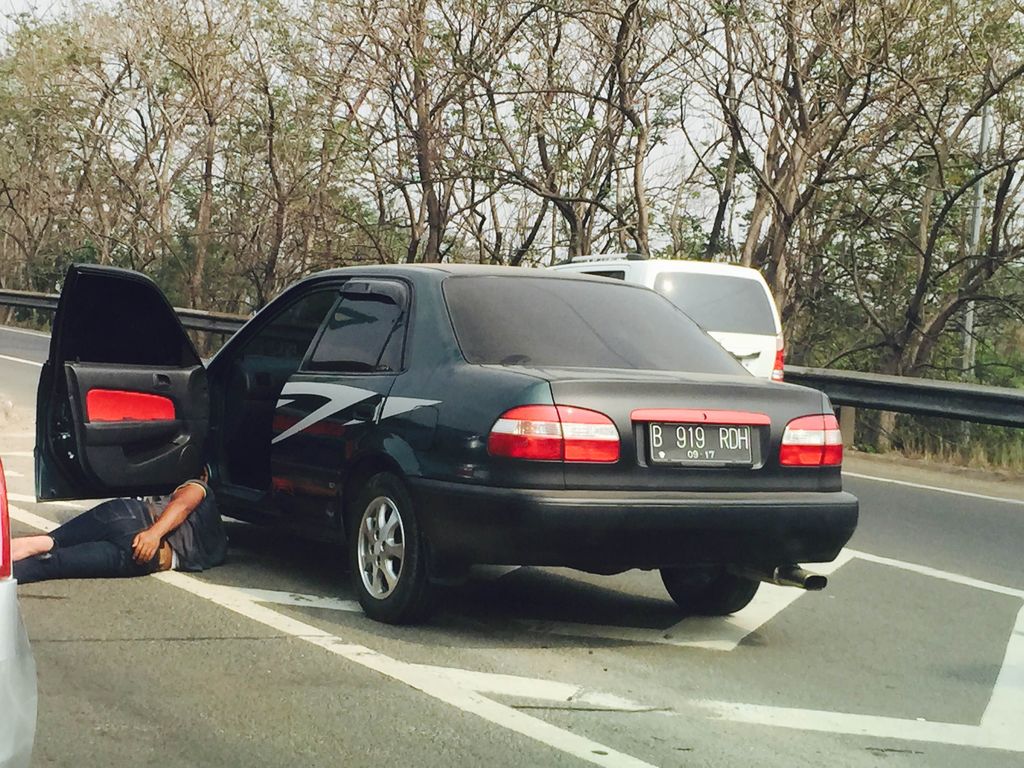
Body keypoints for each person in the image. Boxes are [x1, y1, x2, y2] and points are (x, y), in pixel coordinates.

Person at [12, 469, 226, 584]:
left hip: (125, 513)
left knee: (46, 542)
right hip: (142, 549)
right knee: (52, 563)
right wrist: (153, 534)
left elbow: (181, 504)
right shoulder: (201, 490)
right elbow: (183, 504)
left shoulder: (205, 511)